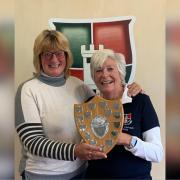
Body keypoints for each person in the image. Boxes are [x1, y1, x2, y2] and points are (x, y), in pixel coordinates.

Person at [15, 30, 142, 180]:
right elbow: (32, 141)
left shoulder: (78, 86)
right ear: (39, 58)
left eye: (59, 53)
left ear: (67, 56)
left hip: (81, 172)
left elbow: (105, 108)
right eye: (47, 53)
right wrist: (74, 151)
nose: (54, 59)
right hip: (44, 175)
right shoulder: (28, 90)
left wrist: (129, 89)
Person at [85, 49, 164, 179]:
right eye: (98, 70)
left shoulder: (140, 101)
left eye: (110, 69)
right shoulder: (89, 105)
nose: (104, 75)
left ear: (121, 73)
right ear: (93, 76)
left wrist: (127, 140)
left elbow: (157, 154)